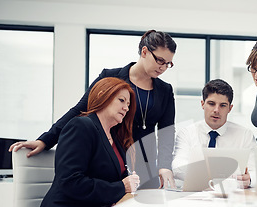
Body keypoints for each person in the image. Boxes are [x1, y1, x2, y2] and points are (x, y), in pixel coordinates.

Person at [10, 29, 177, 188]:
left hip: (145, 164)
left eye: (168, 63)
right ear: (145, 52)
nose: (163, 67)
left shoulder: (165, 90)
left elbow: (167, 132)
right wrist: (46, 140)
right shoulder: (110, 77)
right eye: (160, 60)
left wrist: (164, 166)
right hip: (111, 161)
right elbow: (79, 110)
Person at [35, 77, 140, 207]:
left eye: (128, 104)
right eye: (122, 100)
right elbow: (70, 182)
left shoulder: (114, 137)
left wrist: (128, 186)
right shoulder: (81, 126)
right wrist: (121, 187)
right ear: (102, 95)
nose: (126, 107)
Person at [172, 79, 257, 188]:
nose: (216, 110)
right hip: (194, 196)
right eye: (211, 104)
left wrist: (249, 179)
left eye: (223, 105)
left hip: (231, 197)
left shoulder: (245, 135)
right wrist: (214, 174)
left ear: (230, 108)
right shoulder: (187, 133)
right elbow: (177, 166)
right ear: (203, 104)